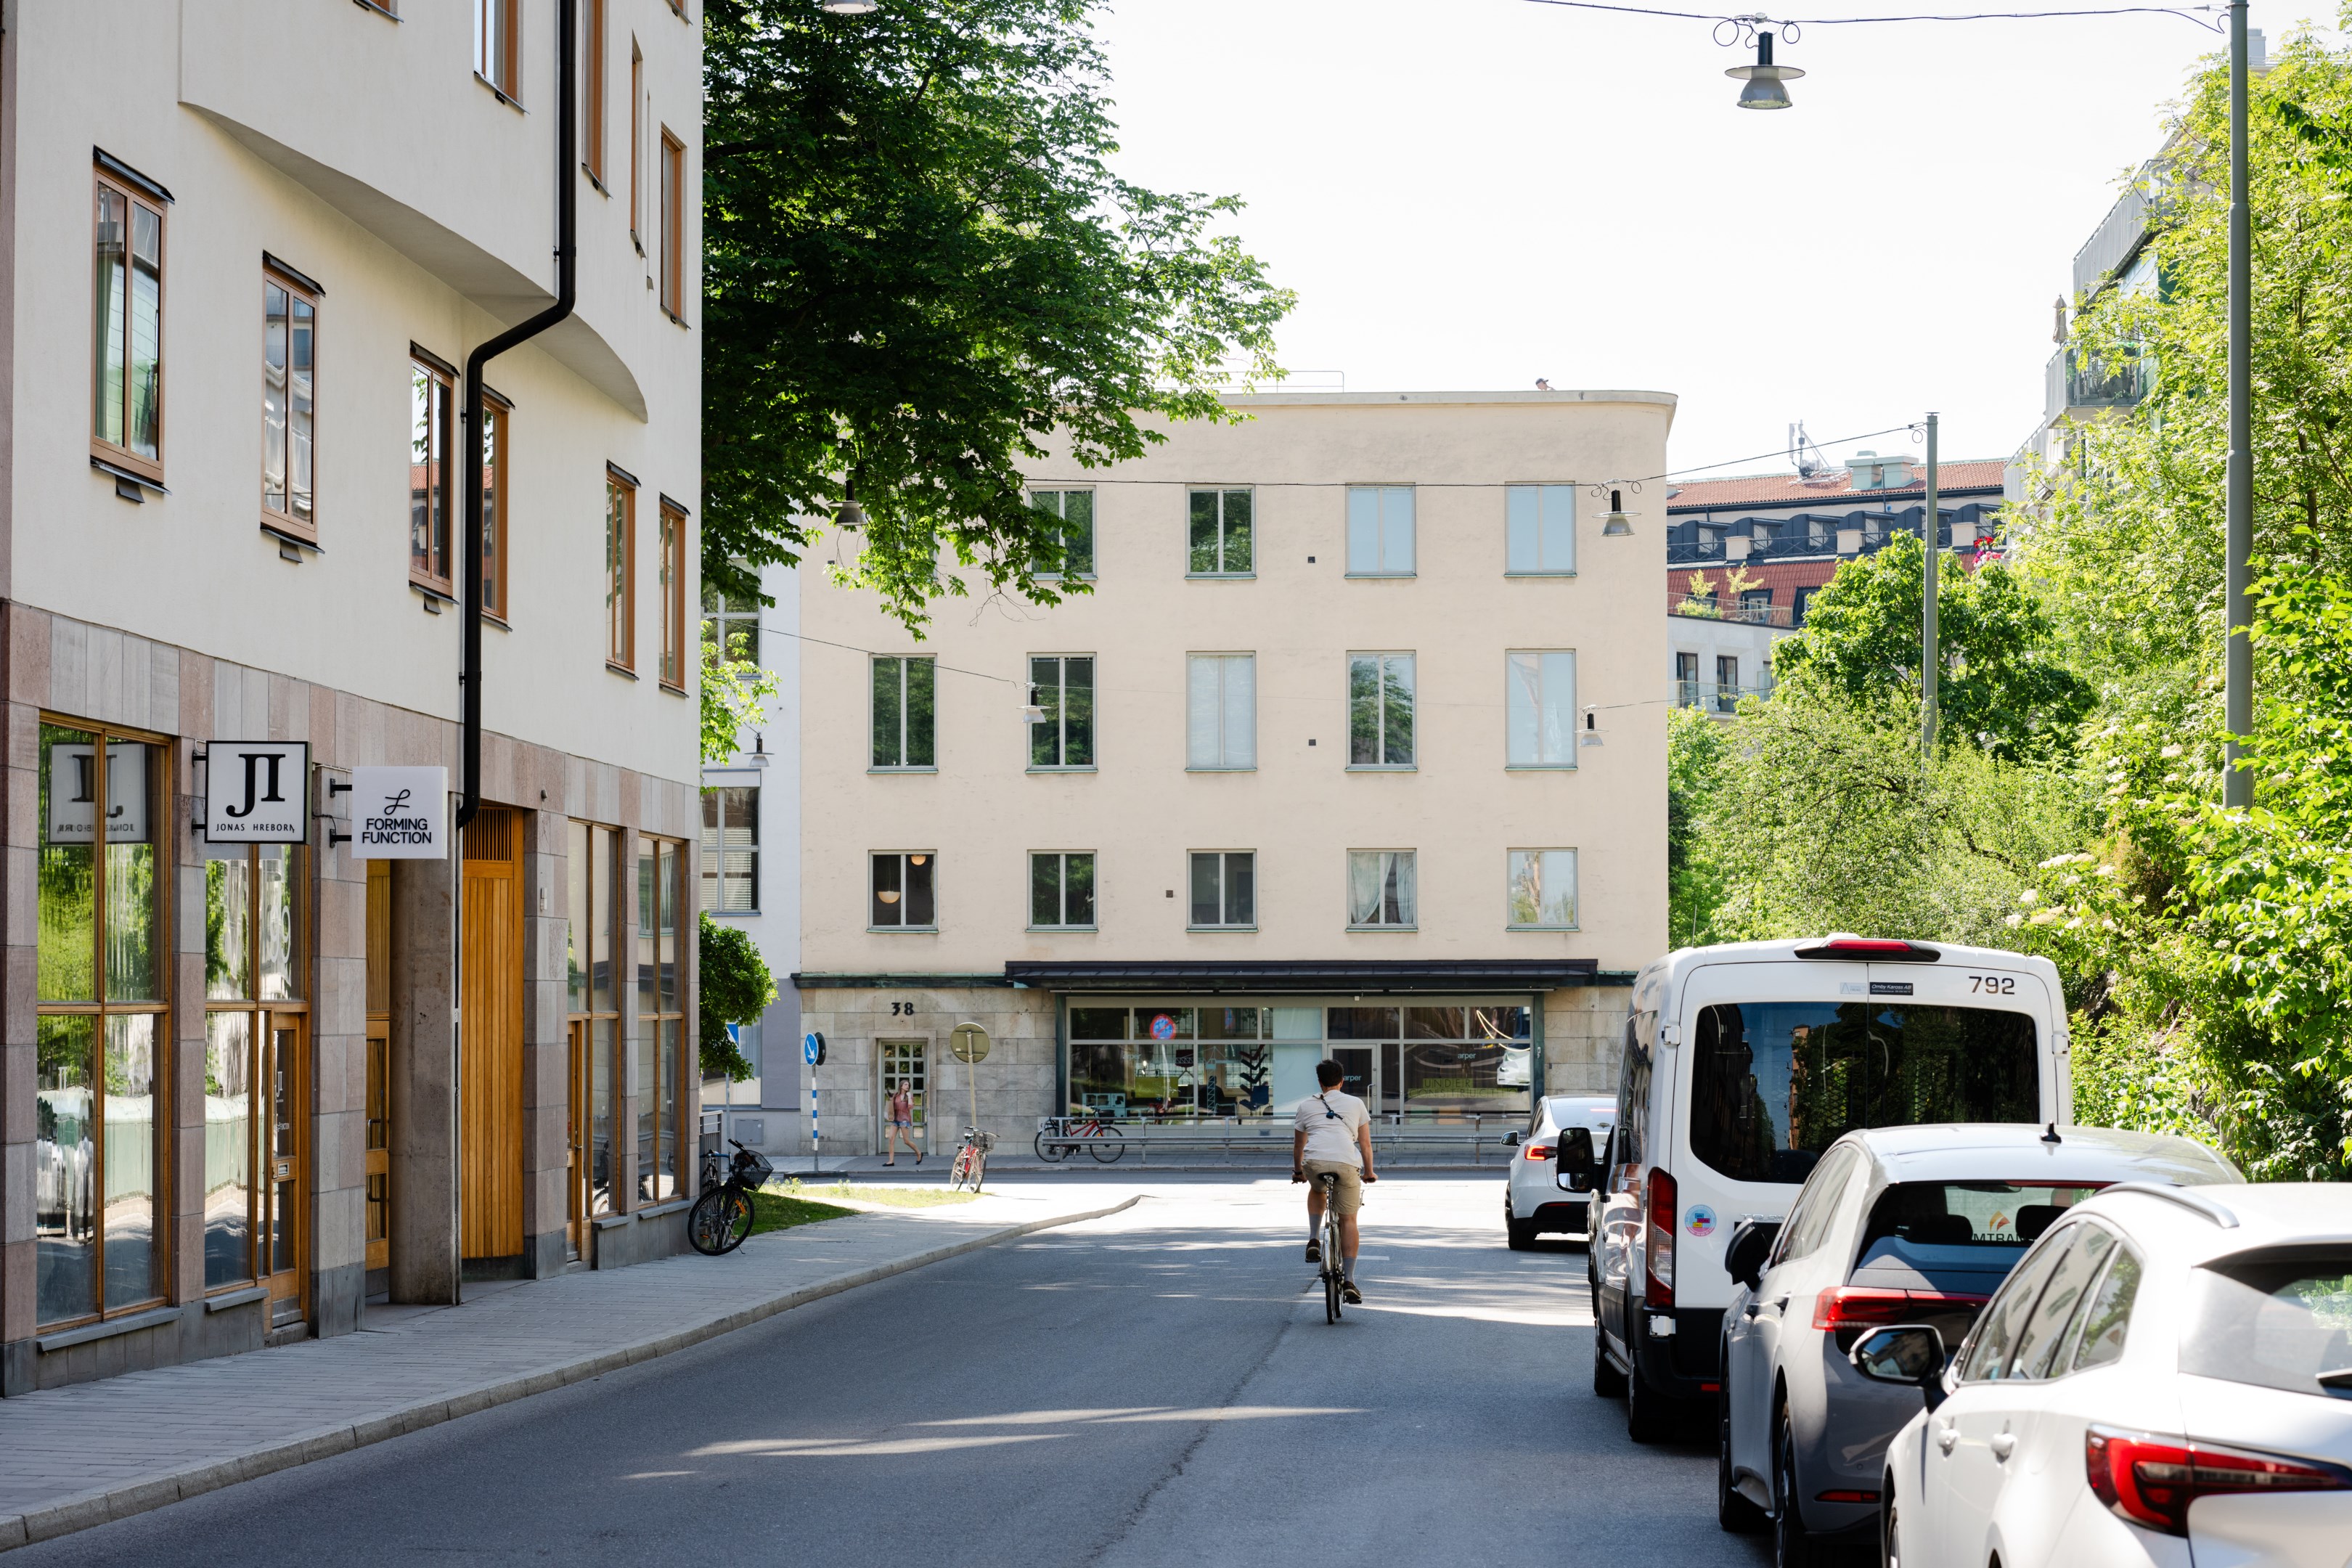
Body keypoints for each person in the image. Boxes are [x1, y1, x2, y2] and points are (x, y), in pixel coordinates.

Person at [1291, 1058, 1376, 1303]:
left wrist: (1299, 1171)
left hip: (1315, 1163)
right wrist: (1369, 1172)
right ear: (1342, 1081)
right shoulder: (1356, 1103)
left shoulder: (1306, 1105)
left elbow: (1299, 1145)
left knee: (1317, 1190)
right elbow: (1365, 1145)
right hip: (1346, 1162)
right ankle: (1349, 1280)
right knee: (1349, 1219)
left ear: (1320, 1082)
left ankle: (1314, 1239)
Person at [884, 1083, 920, 1167]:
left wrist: (909, 1096)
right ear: (901, 1086)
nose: (907, 1086)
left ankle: (919, 1153)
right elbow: (891, 1104)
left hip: (904, 1120)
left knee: (906, 1141)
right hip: (895, 1120)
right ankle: (891, 1161)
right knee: (891, 1139)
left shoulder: (909, 1096)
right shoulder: (896, 1095)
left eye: (908, 1085)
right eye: (905, 1085)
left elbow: (911, 1107)